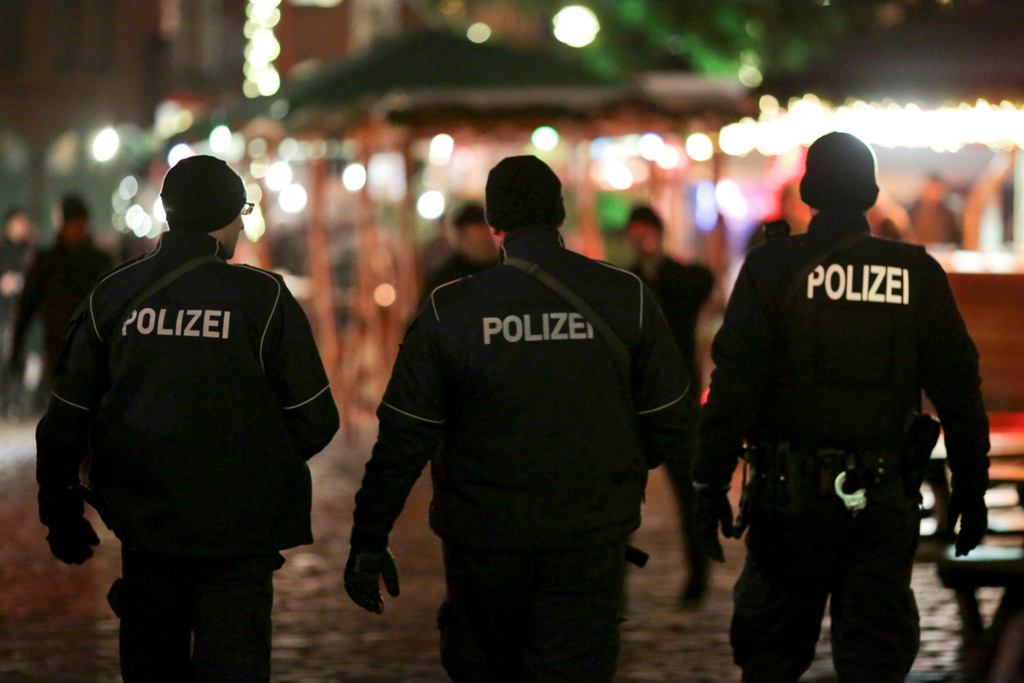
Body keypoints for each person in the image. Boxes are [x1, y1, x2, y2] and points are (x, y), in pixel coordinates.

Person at [345, 155, 693, 681]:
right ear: (560, 214)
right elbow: (670, 418)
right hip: (588, 533)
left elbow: (403, 437)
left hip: (484, 539)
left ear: (494, 222)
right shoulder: (626, 296)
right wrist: (615, 468)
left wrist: (369, 537)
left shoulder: (450, 309)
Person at [694, 132, 991, 682]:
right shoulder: (916, 273)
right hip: (882, 501)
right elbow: (959, 389)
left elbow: (733, 386)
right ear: (872, 194)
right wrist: (971, 489)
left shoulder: (772, 267)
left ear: (807, 193)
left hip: (788, 501)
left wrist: (709, 482)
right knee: (876, 661)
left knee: (771, 659)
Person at [34, 155, 339, 682]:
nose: (242, 225)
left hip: (148, 530)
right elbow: (315, 418)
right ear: (225, 217)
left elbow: (67, 416)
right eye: (241, 213)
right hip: (238, 536)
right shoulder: (262, 299)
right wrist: (252, 465)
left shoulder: (114, 294)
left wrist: (59, 509)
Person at [624, 204, 714, 603]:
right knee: (622, 495)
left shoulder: (680, 276)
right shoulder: (625, 281)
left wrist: (658, 268)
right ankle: (613, 582)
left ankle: (698, 573)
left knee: (689, 492)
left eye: (646, 232)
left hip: (678, 400)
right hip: (635, 403)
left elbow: (702, 285)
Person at [9, 195, 112, 388]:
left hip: (88, 349)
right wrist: (16, 350)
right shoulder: (47, 262)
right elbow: (26, 309)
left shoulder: (98, 261)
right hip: (60, 348)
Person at [421, 202, 498, 296]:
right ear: (461, 237)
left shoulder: (508, 266)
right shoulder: (446, 281)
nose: (487, 238)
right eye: (480, 238)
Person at [0, 207, 34, 415]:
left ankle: (15, 401)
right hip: (3, 310)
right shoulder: (3, 249)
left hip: (22, 312)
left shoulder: (29, 251)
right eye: (18, 222)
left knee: (20, 356)